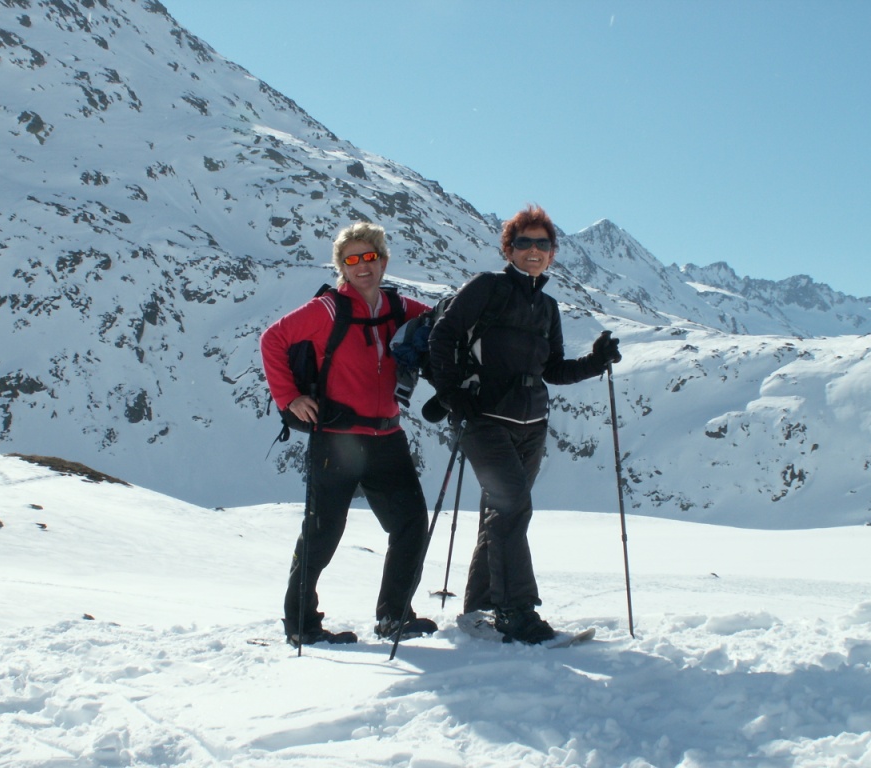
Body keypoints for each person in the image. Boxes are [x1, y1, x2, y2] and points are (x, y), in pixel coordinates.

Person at [427, 205, 621, 644]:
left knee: (503, 513)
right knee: (513, 507)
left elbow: (553, 370)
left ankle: (480, 609)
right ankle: (517, 613)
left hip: (532, 425)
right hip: (483, 421)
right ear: (509, 249)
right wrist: (452, 396)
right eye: (524, 242)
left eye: (543, 243)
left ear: (552, 253)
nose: (534, 250)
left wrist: (596, 361)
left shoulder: (547, 307)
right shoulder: (486, 288)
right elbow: (443, 335)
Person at [260, 222, 438, 647]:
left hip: (387, 437)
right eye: (352, 259)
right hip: (336, 438)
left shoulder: (400, 308)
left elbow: (441, 322)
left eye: (369, 256)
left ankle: (394, 616)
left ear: (383, 260)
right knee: (322, 532)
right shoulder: (327, 310)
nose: (362, 266)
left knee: (411, 523)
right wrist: (289, 398)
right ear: (341, 266)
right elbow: (273, 339)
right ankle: (301, 624)